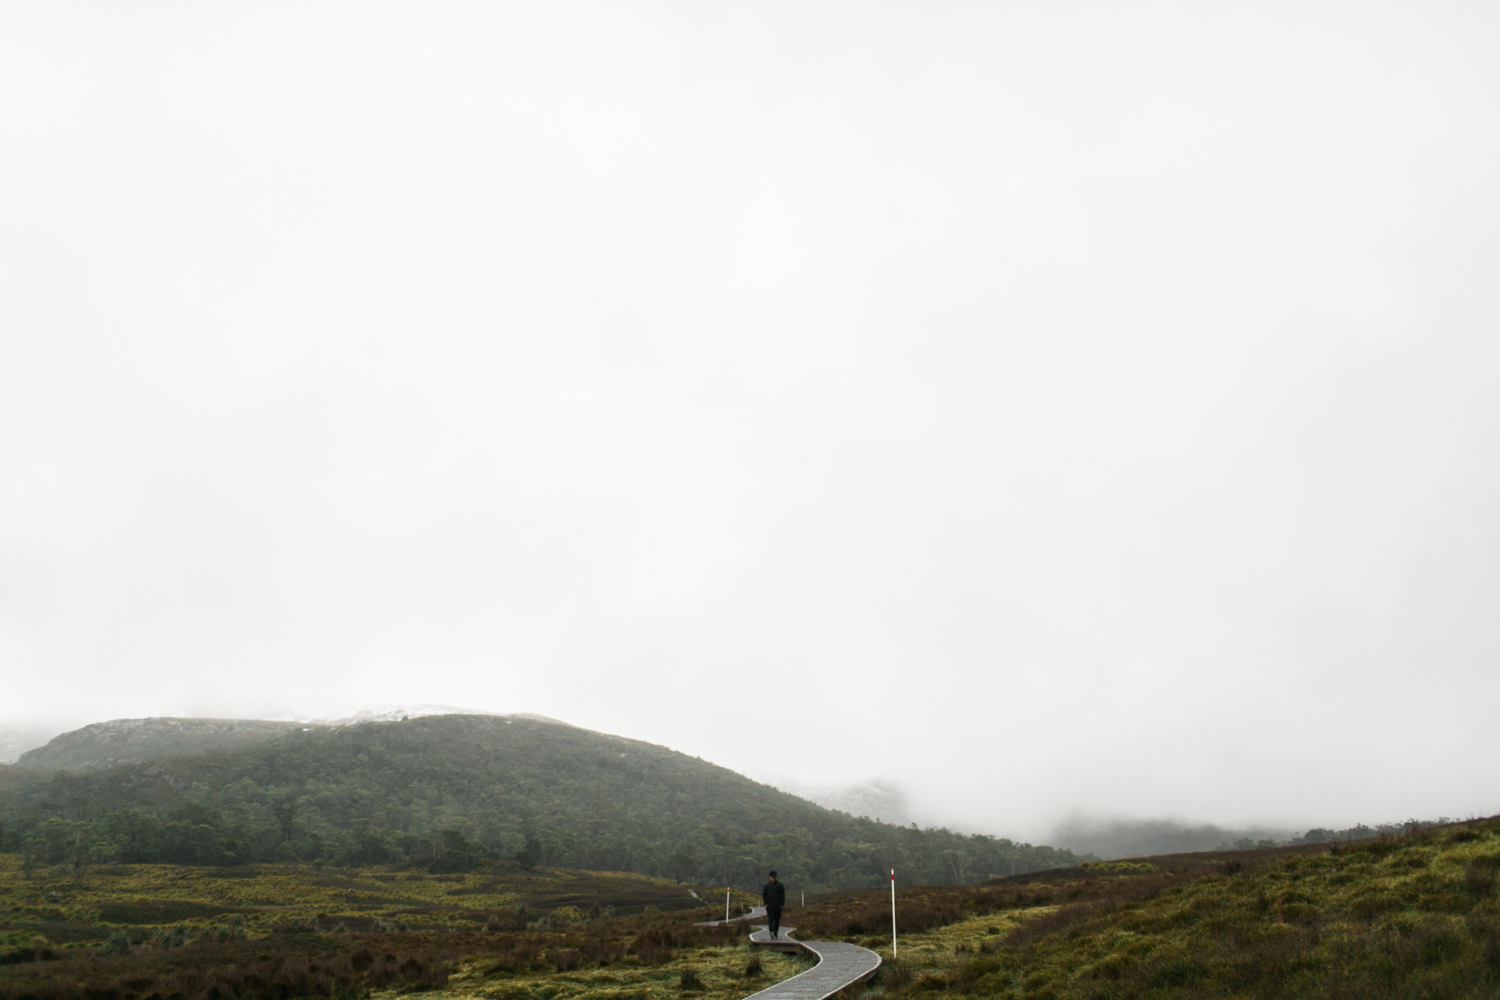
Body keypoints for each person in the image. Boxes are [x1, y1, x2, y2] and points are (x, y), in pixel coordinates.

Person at [761, 870, 786, 939]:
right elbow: (764, 895)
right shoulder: (766, 886)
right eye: (773, 877)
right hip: (770, 905)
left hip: (778, 905)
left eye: (775, 877)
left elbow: (783, 895)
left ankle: (775, 932)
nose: (774, 878)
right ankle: (771, 931)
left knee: (777, 919)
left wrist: (782, 905)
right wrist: (765, 904)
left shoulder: (780, 885)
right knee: (771, 918)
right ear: (770, 877)